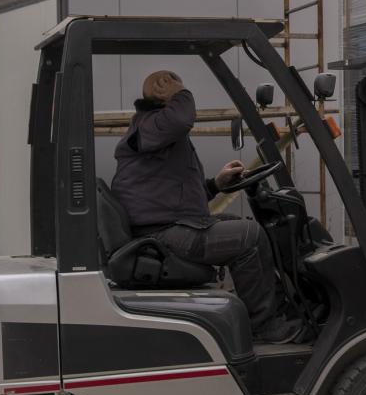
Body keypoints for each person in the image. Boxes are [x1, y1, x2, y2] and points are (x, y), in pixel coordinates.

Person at [111, 69, 302, 343]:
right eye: (176, 90)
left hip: (168, 226)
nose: (182, 97)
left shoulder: (156, 132)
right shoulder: (152, 124)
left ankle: (279, 310)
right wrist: (180, 93)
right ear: (163, 90)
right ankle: (265, 325)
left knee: (238, 225)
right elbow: (182, 118)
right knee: (250, 236)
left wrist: (216, 185)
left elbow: (174, 194)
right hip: (161, 234)